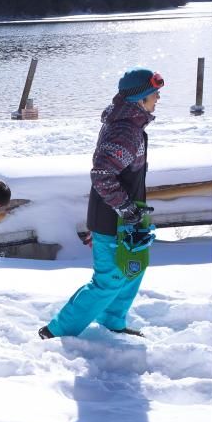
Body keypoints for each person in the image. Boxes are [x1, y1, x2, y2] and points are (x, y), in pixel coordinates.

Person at [39, 68, 165, 340]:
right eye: (154, 92)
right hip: (113, 219)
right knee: (109, 280)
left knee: (132, 270)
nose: (158, 97)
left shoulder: (132, 125)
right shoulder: (124, 131)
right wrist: (126, 210)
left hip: (127, 217)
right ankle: (56, 332)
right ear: (140, 98)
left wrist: (132, 212)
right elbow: (102, 175)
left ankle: (112, 320)